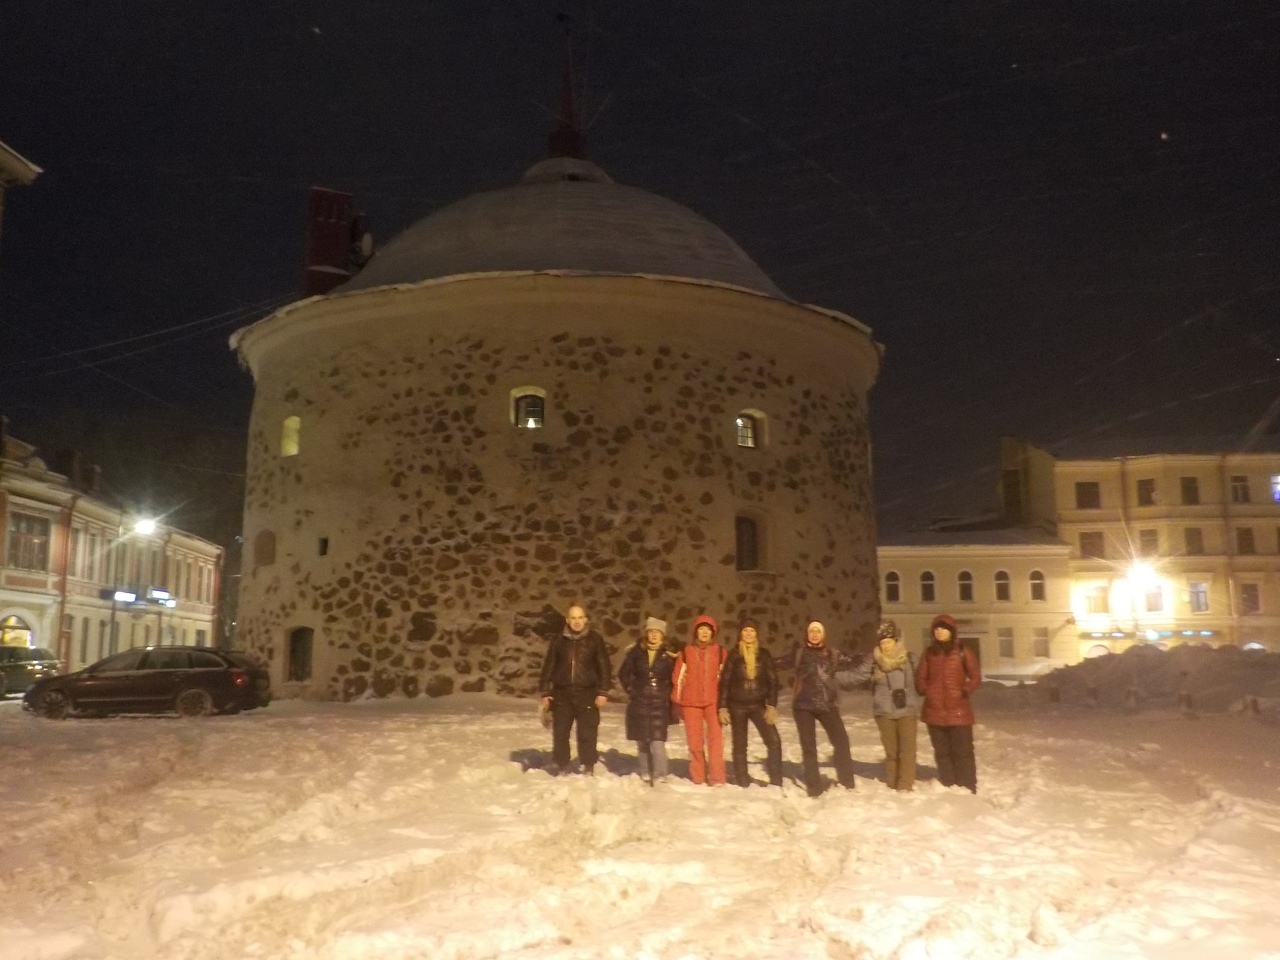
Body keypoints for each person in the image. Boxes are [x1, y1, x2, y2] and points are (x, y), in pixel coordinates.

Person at [778, 620, 861, 797]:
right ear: (807, 634)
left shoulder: (832, 654)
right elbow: (776, 663)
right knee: (809, 746)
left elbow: (855, 661)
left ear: (823, 635)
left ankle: (847, 782)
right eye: (811, 631)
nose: (814, 634)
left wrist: (873, 655)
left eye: (818, 631)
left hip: (827, 705)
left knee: (841, 741)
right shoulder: (799, 653)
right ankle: (814, 788)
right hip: (803, 705)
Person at [538, 604, 613, 776]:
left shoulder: (595, 639)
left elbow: (604, 666)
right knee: (561, 733)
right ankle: (562, 765)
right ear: (567, 620)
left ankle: (588, 766)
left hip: (587, 693)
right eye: (573, 618)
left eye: (580, 618)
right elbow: (549, 665)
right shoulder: (558, 641)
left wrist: (603, 691)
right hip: (562, 693)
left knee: (587, 732)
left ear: (586, 620)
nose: (577, 622)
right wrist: (545, 691)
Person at [848, 619, 919, 791]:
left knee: (908, 751)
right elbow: (856, 676)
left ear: (895, 641)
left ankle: (905, 785)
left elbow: (925, 678)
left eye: (889, 641)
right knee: (891, 752)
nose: (886, 646)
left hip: (907, 711)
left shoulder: (909, 659)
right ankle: (892, 782)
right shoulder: (874, 661)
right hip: (884, 712)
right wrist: (832, 677)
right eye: (882, 642)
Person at [914, 613, 981, 793]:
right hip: (934, 711)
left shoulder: (962, 651)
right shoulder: (929, 653)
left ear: (951, 631)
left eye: (943, 629)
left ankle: (967, 784)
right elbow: (920, 676)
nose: (940, 632)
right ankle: (949, 782)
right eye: (936, 629)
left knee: (963, 751)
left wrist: (964, 690)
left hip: (959, 711)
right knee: (942, 752)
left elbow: (975, 676)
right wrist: (926, 690)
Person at [717, 618, 782, 787]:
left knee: (773, 740)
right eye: (745, 630)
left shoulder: (764, 654)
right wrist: (722, 706)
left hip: (758, 705)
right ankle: (742, 780)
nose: (748, 634)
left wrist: (772, 705)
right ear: (740, 633)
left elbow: (773, 681)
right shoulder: (734, 655)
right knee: (740, 744)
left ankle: (776, 780)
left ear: (756, 634)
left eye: (752, 631)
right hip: (737, 705)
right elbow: (725, 682)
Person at [617, 616, 678, 784]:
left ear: (662, 635)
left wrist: (668, 694)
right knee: (642, 740)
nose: (654, 635)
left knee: (657, 742)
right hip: (639, 702)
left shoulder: (669, 655)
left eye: (657, 632)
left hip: (660, 703)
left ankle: (660, 775)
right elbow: (624, 674)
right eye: (651, 632)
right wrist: (632, 689)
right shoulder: (635, 653)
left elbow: (676, 677)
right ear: (646, 634)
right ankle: (644, 771)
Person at [672, 615, 728, 785]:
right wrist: (676, 701)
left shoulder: (720, 652)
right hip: (690, 703)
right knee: (695, 742)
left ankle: (717, 777)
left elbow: (726, 678)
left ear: (713, 633)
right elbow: (678, 677)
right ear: (696, 631)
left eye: (708, 629)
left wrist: (725, 703)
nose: (704, 632)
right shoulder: (685, 652)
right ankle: (698, 776)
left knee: (716, 742)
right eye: (701, 629)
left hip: (713, 701)